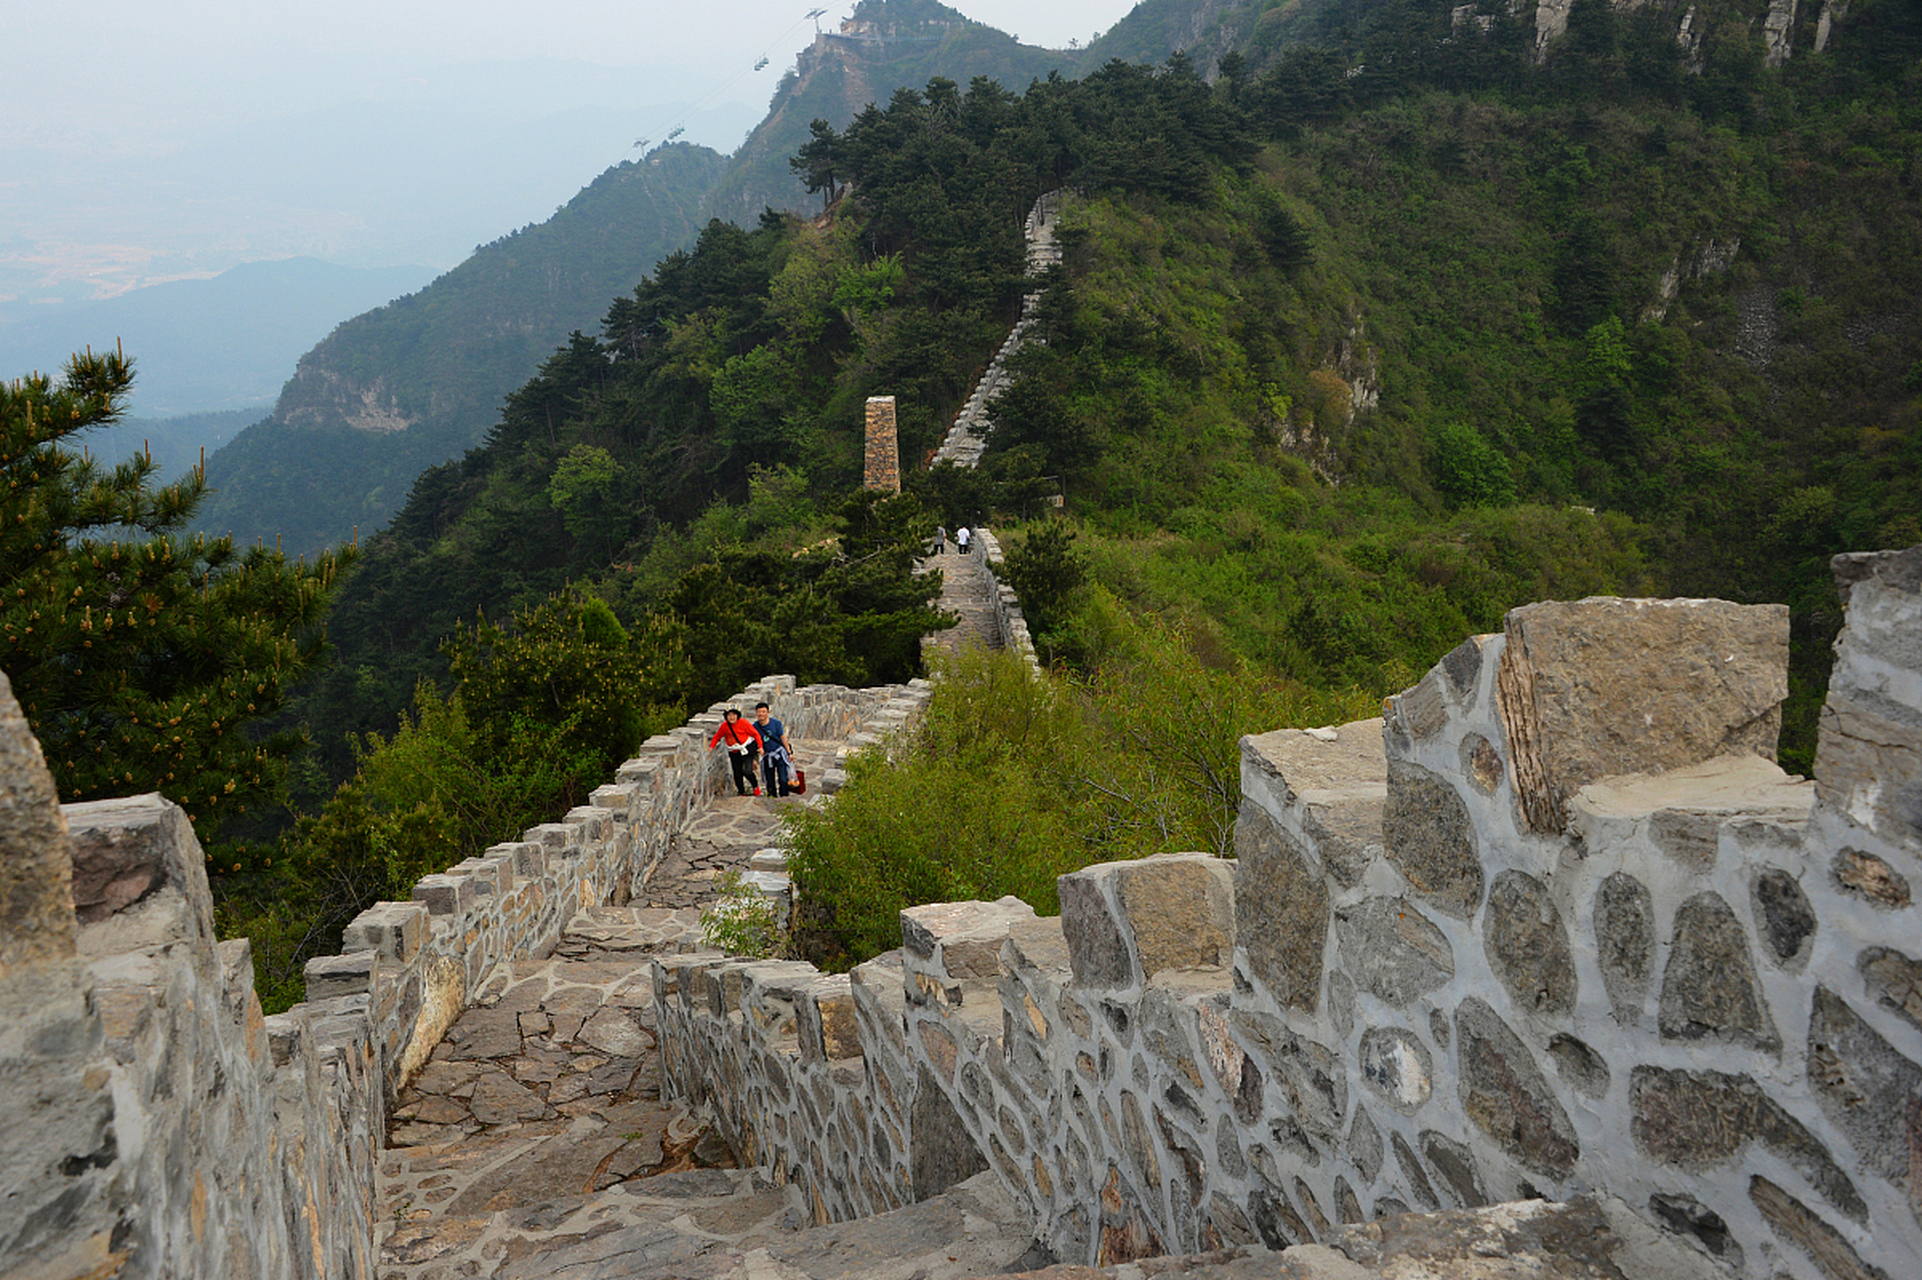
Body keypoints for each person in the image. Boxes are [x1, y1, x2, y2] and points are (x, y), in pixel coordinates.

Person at [708, 707, 763, 796]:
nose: (732, 717)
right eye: (729, 715)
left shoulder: (744, 722)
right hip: (734, 752)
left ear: (737, 715)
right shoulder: (724, 726)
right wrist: (711, 747)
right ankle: (742, 792)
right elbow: (717, 736)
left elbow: (755, 734)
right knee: (737, 773)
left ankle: (755, 787)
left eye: (734, 715)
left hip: (746, 749)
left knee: (747, 771)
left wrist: (760, 746)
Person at [753, 701, 793, 797]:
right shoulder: (754, 727)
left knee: (783, 779)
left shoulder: (776, 723)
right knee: (769, 781)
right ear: (756, 713)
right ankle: (772, 798)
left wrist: (789, 752)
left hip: (779, 754)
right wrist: (754, 759)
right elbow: (753, 744)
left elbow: (783, 738)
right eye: (759, 712)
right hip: (767, 756)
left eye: (763, 711)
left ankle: (784, 797)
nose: (761, 714)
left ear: (768, 712)